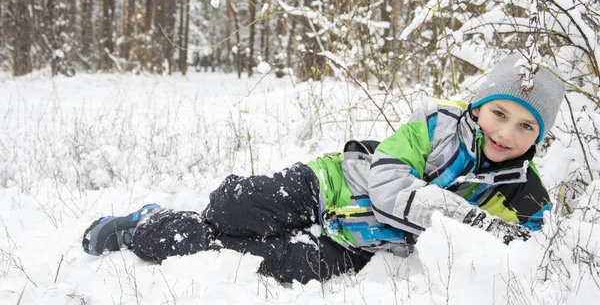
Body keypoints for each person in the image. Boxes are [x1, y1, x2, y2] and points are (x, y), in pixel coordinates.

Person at [82, 54, 566, 284]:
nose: (506, 134)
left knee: (251, 260)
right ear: (479, 108)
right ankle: (153, 217)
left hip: (362, 244)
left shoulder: (527, 194)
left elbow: (530, 255)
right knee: (232, 207)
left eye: (526, 127)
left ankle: (147, 231)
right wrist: (467, 217)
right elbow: (389, 184)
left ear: (540, 139)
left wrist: (494, 234)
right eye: (499, 113)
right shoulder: (434, 125)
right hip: (330, 183)